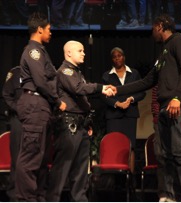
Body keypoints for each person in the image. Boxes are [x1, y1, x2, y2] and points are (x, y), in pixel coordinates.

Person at [115, 14, 181, 201]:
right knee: (162, 155)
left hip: (179, 105)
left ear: (160, 26)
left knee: (180, 151)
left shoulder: (179, 42)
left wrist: (177, 97)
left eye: (153, 27)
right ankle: (167, 196)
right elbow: (148, 81)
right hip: (164, 108)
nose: (151, 31)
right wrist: (117, 90)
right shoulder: (163, 52)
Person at [46, 40, 116, 202]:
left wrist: (88, 122)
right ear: (69, 53)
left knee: (81, 168)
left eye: (83, 50)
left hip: (81, 124)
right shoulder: (65, 71)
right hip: (68, 125)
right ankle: (52, 199)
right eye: (80, 50)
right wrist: (101, 88)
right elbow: (78, 89)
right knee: (63, 166)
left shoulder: (77, 72)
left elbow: (82, 98)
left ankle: (80, 199)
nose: (83, 53)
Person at [15, 11, 67, 201]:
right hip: (36, 104)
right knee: (31, 156)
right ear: (39, 30)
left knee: (42, 157)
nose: (50, 33)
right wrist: (57, 100)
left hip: (41, 106)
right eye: (48, 29)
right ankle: (25, 199)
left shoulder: (40, 51)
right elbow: (41, 81)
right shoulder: (33, 51)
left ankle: (38, 197)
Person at [101, 47, 146, 173]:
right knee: (114, 146)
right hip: (113, 116)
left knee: (130, 146)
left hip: (130, 115)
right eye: (114, 56)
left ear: (124, 57)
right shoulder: (106, 76)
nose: (117, 58)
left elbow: (142, 93)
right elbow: (104, 96)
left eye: (119, 55)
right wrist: (117, 104)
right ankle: (114, 179)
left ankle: (130, 179)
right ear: (112, 60)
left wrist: (131, 99)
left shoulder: (134, 73)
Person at [2, 66, 23, 201]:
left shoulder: (40, 72)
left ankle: (35, 193)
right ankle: (14, 196)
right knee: (17, 159)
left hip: (37, 120)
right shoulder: (15, 73)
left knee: (37, 158)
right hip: (19, 119)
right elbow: (6, 94)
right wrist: (18, 109)